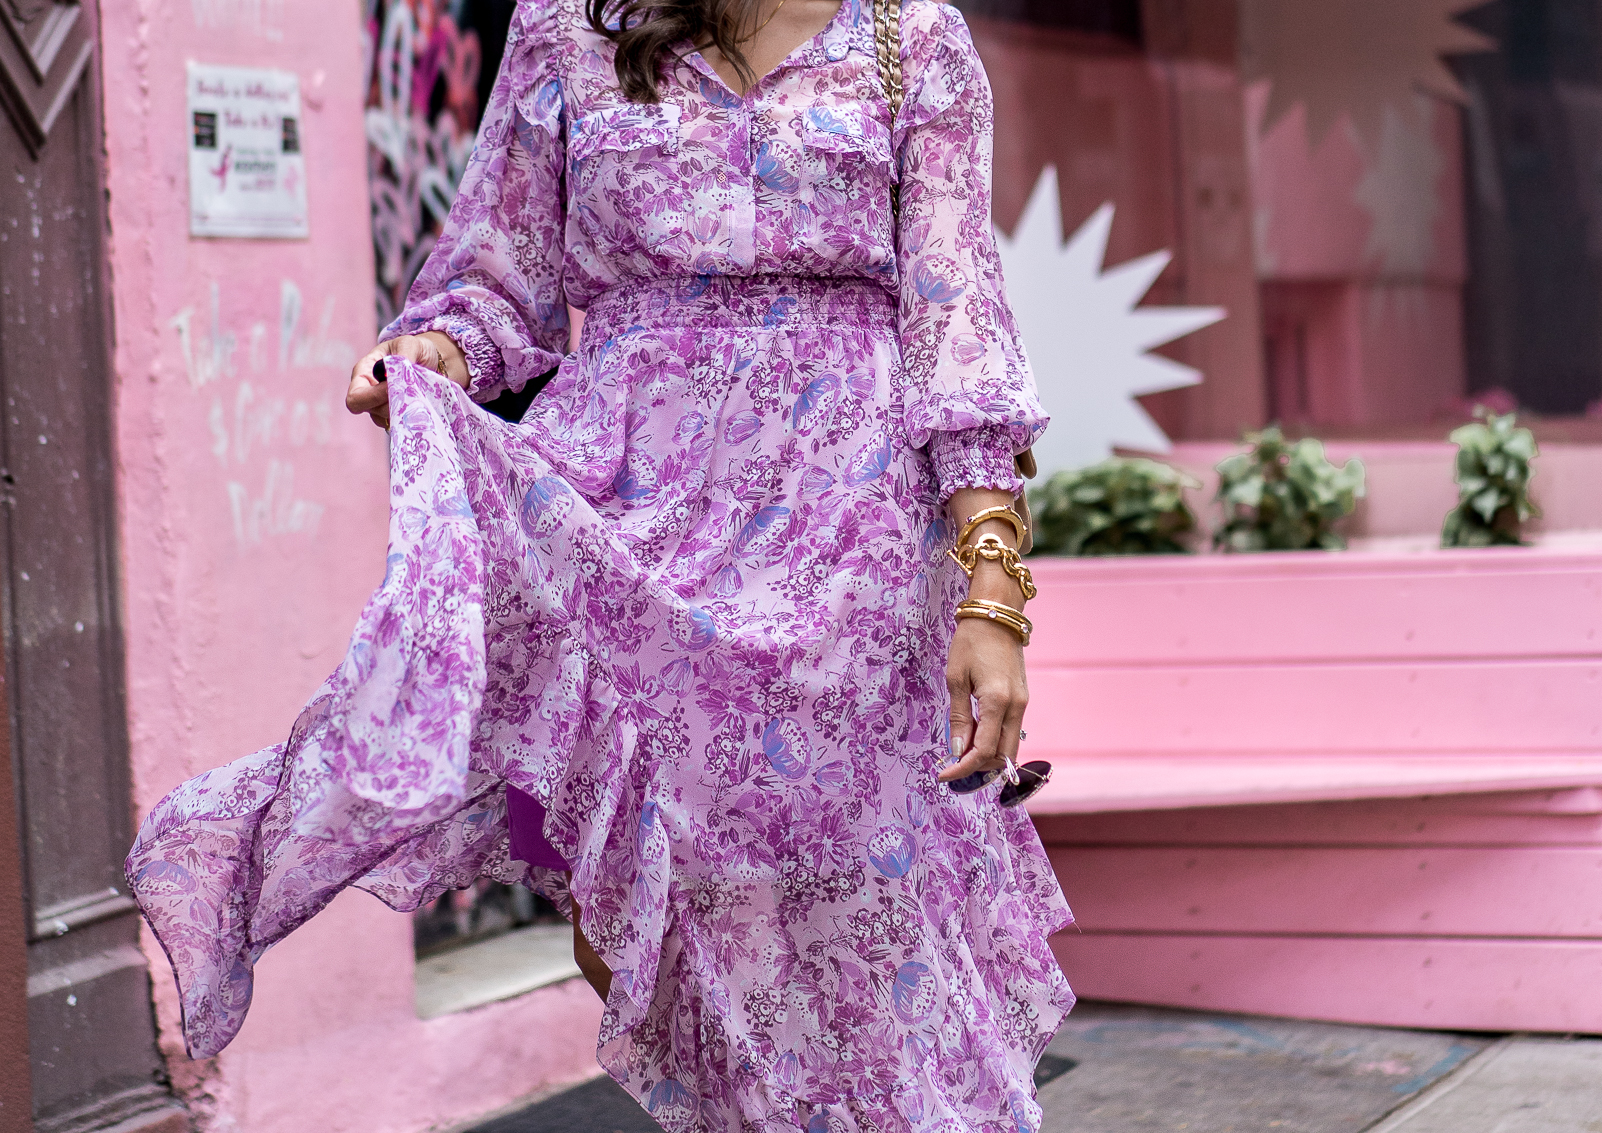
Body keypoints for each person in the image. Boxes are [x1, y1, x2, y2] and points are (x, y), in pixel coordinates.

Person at [127, 0, 1075, 1128]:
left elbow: (957, 321)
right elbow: (495, 275)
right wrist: (438, 347)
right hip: (619, 537)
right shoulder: (566, 27)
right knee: (633, 894)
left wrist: (991, 590)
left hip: (850, 551)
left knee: (863, 891)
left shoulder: (909, 37)